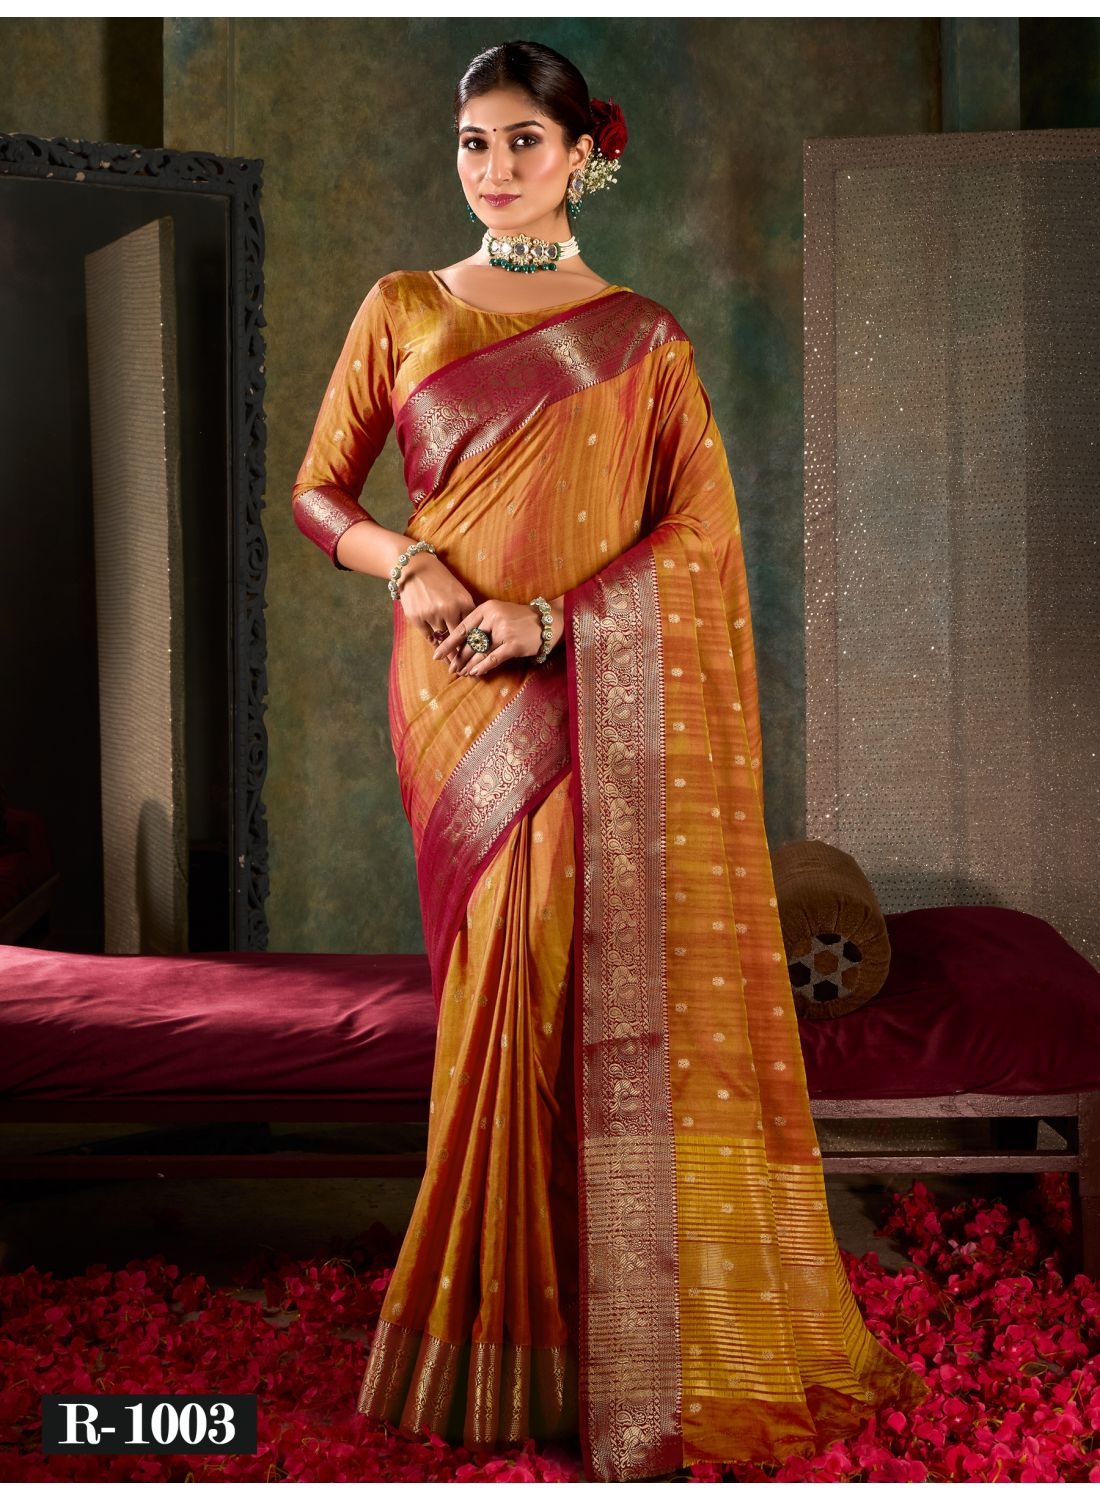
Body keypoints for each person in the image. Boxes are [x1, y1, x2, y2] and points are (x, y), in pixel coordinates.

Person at [291, 38, 929, 1484]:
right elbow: (322, 491)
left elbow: (699, 539)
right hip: (452, 699)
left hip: (583, 691)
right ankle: (495, 1339)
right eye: (474, 141)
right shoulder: (402, 307)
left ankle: (607, 1336)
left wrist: (552, 619)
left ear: (585, 155)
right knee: (493, 995)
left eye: (524, 140)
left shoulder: (642, 339)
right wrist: (412, 566)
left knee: (580, 986)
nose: (495, 167)